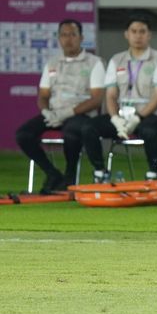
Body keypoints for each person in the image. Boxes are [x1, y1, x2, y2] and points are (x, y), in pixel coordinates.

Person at [16, 19, 105, 193]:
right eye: (64, 35)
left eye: (73, 34)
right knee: (23, 134)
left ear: (81, 37)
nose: (68, 39)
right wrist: (46, 112)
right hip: (54, 113)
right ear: (59, 38)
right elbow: (43, 95)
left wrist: (68, 112)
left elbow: (96, 99)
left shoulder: (95, 63)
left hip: (80, 114)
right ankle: (52, 173)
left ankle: (70, 176)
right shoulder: (52, 63)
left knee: (70, 131)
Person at [81, 15, 157, 182]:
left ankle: (153, 173)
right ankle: (100, 172)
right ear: (126, 34)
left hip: (150, 115)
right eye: (134, 31)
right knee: (88, 127)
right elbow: (111, 94)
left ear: (149, 35)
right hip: (122, 115)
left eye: (142, 32)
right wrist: (115, 118)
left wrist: (139, 117)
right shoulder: (117, 60)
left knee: (150, 131)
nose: (138, 36)